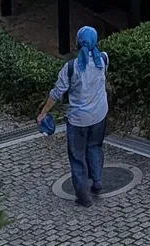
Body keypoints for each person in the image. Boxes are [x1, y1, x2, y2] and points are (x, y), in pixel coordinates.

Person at [35, 26, 109, 208]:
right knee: (95, 147)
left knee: (77, 156)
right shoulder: (104, 59)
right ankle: (97, 181)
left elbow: (57, 93)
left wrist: (43, 112)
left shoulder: (70, 67)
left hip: (78, 120)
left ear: (77, 43)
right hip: (99, 114)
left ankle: (83, 196)